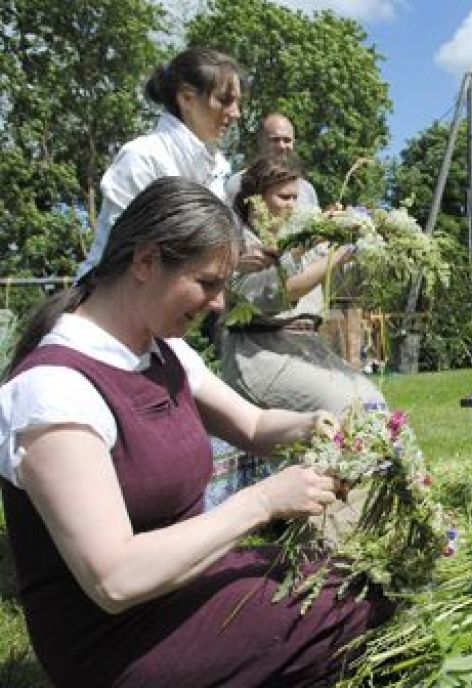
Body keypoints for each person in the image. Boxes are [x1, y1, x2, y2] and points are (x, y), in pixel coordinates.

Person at [0, 178, 394, 688]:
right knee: (353, 612)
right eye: (207, 282)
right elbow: (114, 578)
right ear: (145, 262)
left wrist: (310, 426)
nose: (216, 303)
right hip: (117, 643)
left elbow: (251, 424)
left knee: (349, 578)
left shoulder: (163, 351)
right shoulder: (54, 392)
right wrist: (265, 501)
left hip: (185, 588)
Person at [221, 153, 385, 416]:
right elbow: (286, 290)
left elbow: (341, 277)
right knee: (342, 403)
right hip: (260, 354)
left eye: (295, 198)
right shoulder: (240, 246)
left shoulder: (300, 239)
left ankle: (387, 457)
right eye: (284, 197)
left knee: (371, 397)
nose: (292, 206)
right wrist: (340, 250)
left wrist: (364, 241)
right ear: (254, 200)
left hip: (306, 348)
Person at [77, 47, 242, 279]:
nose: (235, 113)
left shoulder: (217, 167)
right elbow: (123, 257)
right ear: (186, 98)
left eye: (236, 102)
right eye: (225, 100)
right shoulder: (142, 158)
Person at [225, 112, 319, 210]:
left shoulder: (307, 190)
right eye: (275, 140)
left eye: (287, 140)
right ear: (261, 141)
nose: (282, 146)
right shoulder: (237, 184)